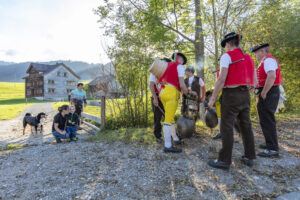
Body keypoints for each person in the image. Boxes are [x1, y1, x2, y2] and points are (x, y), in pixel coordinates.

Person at [207, 32, 256, 170]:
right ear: (237, 43)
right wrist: (246, 89)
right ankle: (249, 156)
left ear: (228, 44)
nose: (225, 48)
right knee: (246, 125)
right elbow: (254, 81)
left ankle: (224, 160)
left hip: (231, 95)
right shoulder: (248, 58)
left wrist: (213, 97)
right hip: (245, 94)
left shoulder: (226, 56)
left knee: (226, 126)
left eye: (225, 46)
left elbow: (221, 78)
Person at [251, 43, 283, 157]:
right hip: (267, 91)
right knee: (265, 119)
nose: (255, 54)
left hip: (269, 92)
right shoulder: (265, 61)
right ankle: (270, 143)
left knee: (267, 119)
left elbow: (272, 76)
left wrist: (264, 92)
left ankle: (273, 148)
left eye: (256, 52)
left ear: (263, 51)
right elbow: (263, 78)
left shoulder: (269, 60)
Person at [158, 52, 188, 153]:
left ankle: (174, 138)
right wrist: (186, 93)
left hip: (162, 91)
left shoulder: (166, 66)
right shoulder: (179, 67)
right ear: (179, 59)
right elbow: (182, 83)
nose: (182, 63)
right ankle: (168, 145)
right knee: (168, 119)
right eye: (182, 60)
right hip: (171, 92)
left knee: (169, 117)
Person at [149, 58, 171, 143]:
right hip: (157, 98)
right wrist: (155, 98)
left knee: (168, 117)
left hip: (167, 98)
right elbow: (151, 86)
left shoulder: (168, 73)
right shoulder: (154, 72)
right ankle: (158, 135)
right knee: (157, 118)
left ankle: (170, 134)